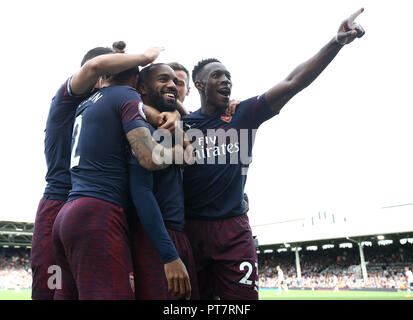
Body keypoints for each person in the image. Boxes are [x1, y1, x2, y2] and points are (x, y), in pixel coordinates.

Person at [181, 9, 365, 299]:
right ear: (200, 85)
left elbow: (294, 81)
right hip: (191, 230)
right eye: (217, 76)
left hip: (233, 230)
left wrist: (335, 42)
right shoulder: (182, 125)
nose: (227, 80)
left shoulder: (243, 114)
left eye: (229, 76)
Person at [31, 41, 153, 300]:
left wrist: (175, 114)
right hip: (65, 201)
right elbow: (94, 66)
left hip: (83, 208)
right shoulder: (67, 100)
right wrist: (143, 56)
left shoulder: (104, 106)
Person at [51, 45, 175, 300]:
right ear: (137, 80)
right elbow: (149, 157)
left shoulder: (84, 104)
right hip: (99, 214)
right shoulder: (126, 95)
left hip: (68, 213)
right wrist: (178, 155)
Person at [128, 63, 198, 300]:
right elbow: (141, 193)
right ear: (143, 88)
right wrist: (169, 254)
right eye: (163, 79)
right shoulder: (140, 128)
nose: (171, 85)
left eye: (175, 82)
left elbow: (190, 158)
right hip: (156, 240)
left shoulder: (173, 127)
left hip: (178, 235)